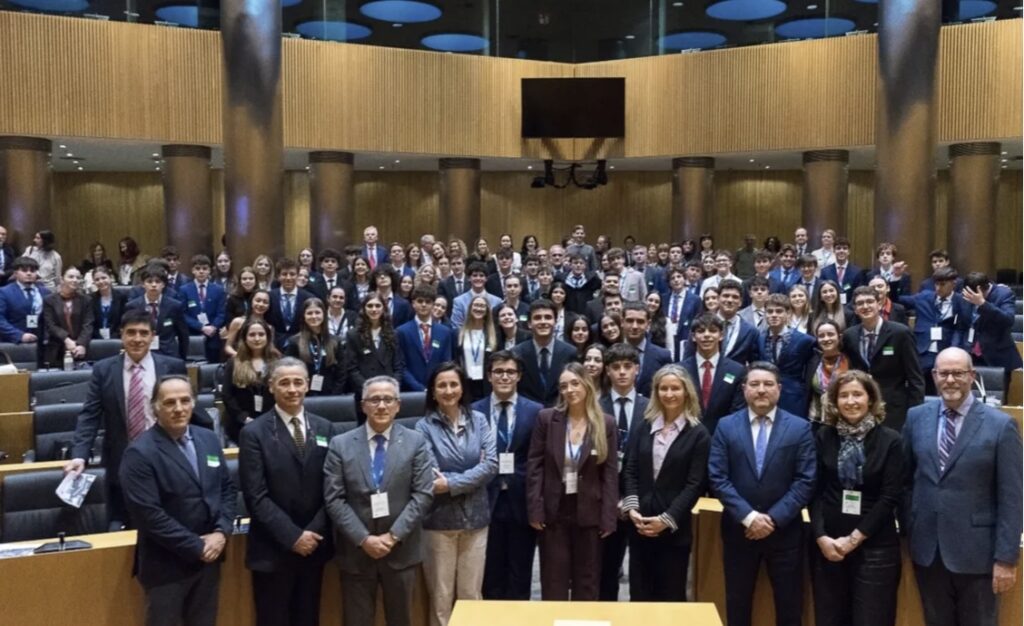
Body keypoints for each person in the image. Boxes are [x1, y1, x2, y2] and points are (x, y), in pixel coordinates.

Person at [903, 348, 1022, 626]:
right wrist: (912, 523)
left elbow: (1012, 497)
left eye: (958, 373)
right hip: (928, 552)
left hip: (978, 556)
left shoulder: (1001, 425)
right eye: (944, 373)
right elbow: (905, 481)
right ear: (934, 376)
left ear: (972, 376)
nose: (951, 380)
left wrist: (1006, 558)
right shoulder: (916, 417)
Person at [119, 375, 236, 626]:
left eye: (185, 400)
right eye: (170, 402)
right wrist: (197, 546)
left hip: (209, 561)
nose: (179, 408)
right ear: (155, 408)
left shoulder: (208, 439)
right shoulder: (139, 453)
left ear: (193, 403)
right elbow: (149, 516)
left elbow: (226, 489)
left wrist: (221, 533)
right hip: (167, 567)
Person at [64, 308, 197, 528]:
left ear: (153, 336)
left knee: (169, 523)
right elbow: (90, 415)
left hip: (167, 457)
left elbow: (188, 411)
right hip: (121, 461)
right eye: (131, 332)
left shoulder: (172, 366)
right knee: (127, 525)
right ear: (121, 334)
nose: (137, 339)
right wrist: (79, 455)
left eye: (144, 333)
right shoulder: (104, 370)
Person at [708, 362, 816, 626]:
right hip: (738, 532)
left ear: (779, 389)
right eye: (754, 384)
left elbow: (806, 480)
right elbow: (717, 477)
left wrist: (772, 519)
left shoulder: (800, 428)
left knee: (789, 608)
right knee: (737, 605)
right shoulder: (725, 426)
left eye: (768, 384)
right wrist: (749, 517)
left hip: (785, 533)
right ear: (744, 389)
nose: (761, 390)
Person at [323, 375, 434, 626]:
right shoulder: (340, 445)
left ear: (398, 405)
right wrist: (364, 539)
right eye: (374, 400)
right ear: (363, 406)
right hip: (356, 553)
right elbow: (334, 499)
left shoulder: (416, 442)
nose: (381, 406)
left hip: (401, 551)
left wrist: (392, 537)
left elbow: (423, 494)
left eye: (388, 399)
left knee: (401, 620)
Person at [239, 358, 335, 626]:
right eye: (284, 383)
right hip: (273, 550)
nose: (292, 389)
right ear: (271, 387)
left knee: (308, 619)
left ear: (307, 385)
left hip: (314, 547)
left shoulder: (325, 427)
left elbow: (333, 489)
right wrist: (294, 537)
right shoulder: (253, 433)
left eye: (298, 382)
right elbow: (256, 496)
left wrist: (312, 535)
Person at [810, 370, 903, 626]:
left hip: (875, 549)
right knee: (829, 618)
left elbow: (889, 496)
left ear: (871, 399)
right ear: (835, 402)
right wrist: (821, 537)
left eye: (857, 394)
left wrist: (853, 540)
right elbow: (815, 491)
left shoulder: (890, 440)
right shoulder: (824, 436)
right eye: (843, 396)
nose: (851, 401)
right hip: (828, 547)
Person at [526, 362, 618, 600]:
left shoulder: (605, 423)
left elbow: (609, 473)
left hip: (590, 510)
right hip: (554, 510)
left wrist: (609, 516)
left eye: (575, 383)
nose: (570, 390)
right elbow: (535, 467)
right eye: (564, 386)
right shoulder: (547, 419)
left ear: (586, 384)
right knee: (553, 580)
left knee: (586, 581)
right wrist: (535, 509)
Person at [415, 364, 497, 626]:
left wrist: (449, 482)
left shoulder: (480, 420)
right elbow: (429, 475)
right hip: (439, 521)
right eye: (442, 385)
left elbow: (491, 465)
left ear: (462, 388)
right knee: (441, 597)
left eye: (453, 384)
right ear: (433, 392)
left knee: (471, 594)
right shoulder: (423, 427)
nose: (448, 391)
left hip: (476, 519)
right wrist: (473, 473)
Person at [621, 364, 710, 602]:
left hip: (674, 529)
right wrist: (632, 508)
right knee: (639, 595)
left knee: (670, 596)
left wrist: (666, 519)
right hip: (640, 526)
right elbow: (630, 469)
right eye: (663, 388)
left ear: (687, 392)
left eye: (675, 388)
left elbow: (695, 485)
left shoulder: (698, 434)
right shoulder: (644, 425)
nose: (669, 394)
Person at [471, 351, 543, 600]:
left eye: (510, 372)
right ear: (489, 376)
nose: (504, 376)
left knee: (520, 572)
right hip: (485, 497)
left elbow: (539, 458)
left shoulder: (536, 411)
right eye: (498, 372)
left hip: (521, 499)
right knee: (490, 572)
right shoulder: (474, 411)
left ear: (519, 376)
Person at [597, 343, 649, 601]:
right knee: (606, 573)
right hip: (605, 501)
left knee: (641, 575)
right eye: (616, 367)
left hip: (641, 502)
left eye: (627, 367)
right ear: (607, 371)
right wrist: (613, 499)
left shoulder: (651, 408)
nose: (622, 372)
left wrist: (629, 500)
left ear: (637, 369)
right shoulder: (596, 406)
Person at [843, 286, 924, 432]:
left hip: (894, 409)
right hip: (862, 407)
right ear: (855, 309)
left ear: (879, 304)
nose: (865, 306)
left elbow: (915, 377)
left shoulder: (900, 333)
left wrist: (916, 413)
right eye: (860, 303)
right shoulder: (849, 335)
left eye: (869, 301)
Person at [897, 267, 971, 392]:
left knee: (943, 390)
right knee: (918, 389)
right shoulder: (924, 297)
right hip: (923, 351)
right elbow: (899, 299)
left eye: (942, 284)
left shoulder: (961, 301)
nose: (938, 288)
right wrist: (896, 279)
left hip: (946, 351)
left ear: (953, 284)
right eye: (936, 284)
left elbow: (962, 328)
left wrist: (953, 349)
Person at [681, 314, 746, 436]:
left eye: (712, 331)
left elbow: (737, 412)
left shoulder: (737, 371)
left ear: (721, 335)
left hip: (724, 438)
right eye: (701, 331)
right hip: (686, 438)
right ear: (694, 337)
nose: (706, 335)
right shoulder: (680, 370)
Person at [512, 298, 578, 406]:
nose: (543, 322)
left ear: (555, 322)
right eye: (537, 318)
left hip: (560, 412)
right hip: (528, 414)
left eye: (548, 317)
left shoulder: (570, 352)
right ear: (529, 323)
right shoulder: (517, 353)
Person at [344, 293, 405, 410]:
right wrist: (368, 390)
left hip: (388, 394)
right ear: (364, 309)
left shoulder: (393, 334)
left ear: (383, 308)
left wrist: (392, 387)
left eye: (378, 306)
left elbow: (398, 366)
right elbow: (352, 369)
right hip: (365, 394)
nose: (374, 309)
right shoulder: (353, 335)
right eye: (370, 306)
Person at [223, 318, 280, 443]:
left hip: (273, 423)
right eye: (252, 335)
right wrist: (244, 418)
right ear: (244, 338)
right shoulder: (234, 362)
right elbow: (227, 395)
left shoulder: (278, 361)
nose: (257, 338)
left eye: (261, 334)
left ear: (268, 337)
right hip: (240, 425)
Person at [758, 294, 815, 418]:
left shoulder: (805, 341)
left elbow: (810, 371)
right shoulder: (759, 338)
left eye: (779, 311)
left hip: (793, 398)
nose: (774, 315)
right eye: (770, 311)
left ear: (788, 314)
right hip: (765, 397)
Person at [960, 271, 1023, 379]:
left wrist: (983, 304)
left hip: (997, 356)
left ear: (982, 289)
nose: (971, 298)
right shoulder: (968, 294)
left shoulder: (1004, 294)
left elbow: (1008, 320)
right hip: (972, 356)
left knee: (997, 394)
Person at [397, 285, 456, 392]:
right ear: (413, 303)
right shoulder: (402, 331)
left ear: (433, 304)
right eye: (420, 301)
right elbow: (401, 366)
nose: (423, 305)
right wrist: (419, 388)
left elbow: (446, 363)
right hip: (411, 392)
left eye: (428, 302)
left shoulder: (445, 332)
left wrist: (436, 386)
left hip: (438, 389)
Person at [125, 266, 190, 360]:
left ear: (163, 284)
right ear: (143, 284)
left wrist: (182, 358)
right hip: (141, 354)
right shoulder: (132, 306)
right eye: (149, 281)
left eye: (158, 281)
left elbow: (183, 335)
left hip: (168, 355)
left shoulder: (174, 306)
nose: (154, 285)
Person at [285, 297, 346, 395]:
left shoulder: (335, 341)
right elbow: (288, 370)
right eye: (309, 313)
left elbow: (341, 372)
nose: (314, 316)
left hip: (330, 396)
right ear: (303, 316)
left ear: (324, 314)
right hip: (302, 394)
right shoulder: (294, 342)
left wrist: (335, 394)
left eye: (317, 312)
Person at [42, 265, 94, 367]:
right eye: (71, 277)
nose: (75, 280)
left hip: (80, 349)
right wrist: (66, 340)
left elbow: (88, 324)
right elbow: (50, 325)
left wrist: (81, 344)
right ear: (62, 279)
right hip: (57, 349)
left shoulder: (86, 300)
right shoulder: (49, 300)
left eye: (78, 278)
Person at [180, 254, 227, 363]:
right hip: (193, 335)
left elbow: (222, 313)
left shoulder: (218, 290)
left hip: (213, 336)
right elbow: (182, 314)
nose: (201, 271)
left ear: (210, 270)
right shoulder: (184, 290)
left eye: (204, 269)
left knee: (213, 366)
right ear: (192, 270)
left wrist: (213, 327)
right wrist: (201, 327)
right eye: (198, 268)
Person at [620, 301, 672, 397]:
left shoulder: (663, 356)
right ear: (622, 322)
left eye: (640, 321)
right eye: (630, 321)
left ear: (648, 324)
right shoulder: (611, 355)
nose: (635, 326)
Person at [807, 319, 850, 425]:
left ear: (839, 337)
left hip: (846, 418)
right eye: (821, 336)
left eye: (830, 334)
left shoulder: (849, 360)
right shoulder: (812, 361)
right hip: (816, 420)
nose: (826, 339)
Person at [0, 255, 49, 346]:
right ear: (15, 273)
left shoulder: (45, 292)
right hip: (13, 343)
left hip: (42, 341)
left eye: (32, 271)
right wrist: (19, 335)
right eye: (24, 270)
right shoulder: (4, 292)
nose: (29, 273)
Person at [268, 258, 315, 350]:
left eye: (292, 274)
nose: (288, 278)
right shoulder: (269, 297)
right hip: (273, 346)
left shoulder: (309, 297)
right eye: (284, 274)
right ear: (278, 276)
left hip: (301, 346)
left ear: (297, 276)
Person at [450, 261, 502, 329]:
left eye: (481, 275)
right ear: (469, 278)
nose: (478, 278)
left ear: (486, 278)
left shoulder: (497, 301)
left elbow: (498, 325)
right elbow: (456, 327)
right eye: (474, 275)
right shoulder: (459, 301)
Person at [223, 289, 272, 359]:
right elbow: (228, 347)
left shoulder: (269, 327)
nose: (261, 304)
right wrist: (240, 357)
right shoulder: (237, 322)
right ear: (251, 302)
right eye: (258, 301)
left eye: (265, 302)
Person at [819, 237, 865, 305]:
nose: (841, 251)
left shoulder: (857, 272)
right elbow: (822, 292)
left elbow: (858, 293)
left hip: (850, 310)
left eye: (845, 248)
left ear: (849, 252)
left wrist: (848, 310)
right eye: (838, 248)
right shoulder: (825, 271)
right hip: (830, 308)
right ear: (834, 251)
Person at [90, 266, 127, 340]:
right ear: (94, 282)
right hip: (96, 339)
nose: (101, 281)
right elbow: (90, 323)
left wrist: (114, 336)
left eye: (104, 278)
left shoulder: (122, 297)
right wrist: (99, 337)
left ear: (111, 278)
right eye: (97, 279)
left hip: (117, 338)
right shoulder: (90, 299)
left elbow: (124, 321)